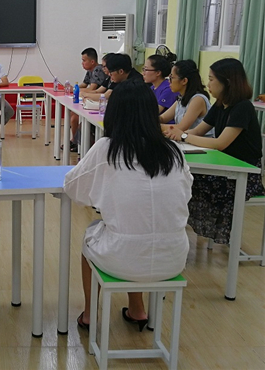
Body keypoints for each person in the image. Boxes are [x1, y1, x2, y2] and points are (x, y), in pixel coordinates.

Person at [64, 78, 192, 332]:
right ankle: (137, 309)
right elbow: (184, 194)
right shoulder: (173, 151)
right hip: (174, 256)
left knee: (94, 236)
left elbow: (73, 188)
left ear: (114, 114)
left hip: (124, 256)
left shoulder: (107, 148)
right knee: (135, 227)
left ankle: (90, 315)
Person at [165, 58, 265, 244]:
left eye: (211, 79)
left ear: (227, 82)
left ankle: (179, 232)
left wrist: (183, 136)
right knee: (181, 177)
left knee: (188, 181)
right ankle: (173, 231)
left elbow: (220, 143)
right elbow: (197, 131)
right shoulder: (220, 104)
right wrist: (174, 134)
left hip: (245, 172)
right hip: (223, 164)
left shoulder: (242, 107)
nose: (208, 84)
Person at [159, 60, 213, 135]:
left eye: (171, 78)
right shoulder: (181, 98)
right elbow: (163, 118)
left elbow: (181, 127)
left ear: (184, 81)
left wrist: (153, 126)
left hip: (199, 141)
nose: (169, 81)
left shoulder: (198, 99)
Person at [70, 48, 106, 152]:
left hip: (99, 100)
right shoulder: (90, 71)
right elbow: (84, 84)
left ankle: (76, 142)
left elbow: (92, 89)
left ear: (92, 61)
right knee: (73, 113)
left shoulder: (98, 69)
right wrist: (74, 88)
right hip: (93, 99)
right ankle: (75, 140)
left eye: (84, 60)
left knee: (75, 115)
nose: (82, 63)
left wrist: (76, 90)